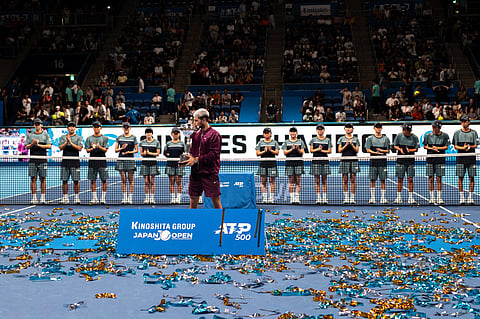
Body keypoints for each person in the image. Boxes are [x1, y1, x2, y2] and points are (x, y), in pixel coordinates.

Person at [183, 108, 222, 209]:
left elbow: (214, 155)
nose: (194, 123)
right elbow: (193, 151)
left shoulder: (215, 135)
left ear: (204, 119)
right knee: (193, 200)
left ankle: (220, 224)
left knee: (215, 200)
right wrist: (187, 159)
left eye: (196, 120)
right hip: (195, 173)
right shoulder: (195, 134)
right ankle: (193, 223)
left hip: (210, 173)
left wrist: (195, 159)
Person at [453, 115, 478, 204]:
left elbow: (476, 145)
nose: (464, 123)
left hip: (471, 158)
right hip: (460, 158)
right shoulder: (457, 133)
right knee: (460, 178)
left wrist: (469, 146)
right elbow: (455, 146)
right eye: (462, 121)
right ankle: (462, 197)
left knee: (471, 178)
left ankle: (470, 197)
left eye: (465, 121)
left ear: (469, 122)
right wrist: (463, 148)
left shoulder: (474, 133)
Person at [26, 118, 52, 204]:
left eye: (39, 124)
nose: (37, 126)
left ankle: (43, 198)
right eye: (36, 124)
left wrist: (39, 145)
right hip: (33, 160)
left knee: (43, 179)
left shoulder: (45, 135)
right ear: (34, 125)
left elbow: (49, 146)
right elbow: (26, 147)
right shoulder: (30, 135)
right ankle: (34, 198)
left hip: (42, 160)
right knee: (33, 179)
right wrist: (32, 144)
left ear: (41, 125)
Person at [423, 120, 450, 204]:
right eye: (434, 127)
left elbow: (446, 147)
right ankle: (431, 197)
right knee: (430, 178)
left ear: (440, 127)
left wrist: (438, 148)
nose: (435, 129)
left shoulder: (445, 136)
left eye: (437, 127)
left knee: (439, 178)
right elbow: (425, 146)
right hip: (430, 159)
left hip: (440, 159)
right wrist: (432, 148)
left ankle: (439, 197)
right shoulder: (428, 136)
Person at [393, 122, 419, 204]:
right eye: (403, 129)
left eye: (404, 129)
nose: (402, 130)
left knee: (410, 179)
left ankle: (411, 197)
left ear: (408, 130)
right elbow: (395, 145)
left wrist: (409, 150)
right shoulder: (399, 136)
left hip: (410, 161)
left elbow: (416, 149)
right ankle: (398, 197)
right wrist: (400, 149)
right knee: (400, 179)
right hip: (400, 160)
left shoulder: (414, 137)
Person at [365, 122, 391, 204]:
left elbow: (388, 150)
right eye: (377, 127)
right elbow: (368, 149)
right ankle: (372, 198)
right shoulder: (370, 138)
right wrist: (376, 153)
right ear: (374, 128)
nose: (378, 129)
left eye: (380, 127)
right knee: (373, 180)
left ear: (381, 128)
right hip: (373, 161)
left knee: (382, 180)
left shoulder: (386, 139)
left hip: (383, 162)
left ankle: (383, 198)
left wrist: (381, 151)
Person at [59, 122, 84, 204]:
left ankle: (76, 198)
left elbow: (79, 148)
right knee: (64, 180)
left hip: (75, 162)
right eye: (70, 127)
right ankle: (65, 198)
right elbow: (60, 148)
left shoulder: (78, 138)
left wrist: (71, 142)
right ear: (67, 128)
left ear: (75, 128)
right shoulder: (63, 137)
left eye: (73, 127)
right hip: (65, 161)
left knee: (76, 181)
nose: (71, 128)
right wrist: (66, 142)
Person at [85, 121, 109, 204]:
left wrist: (99, 147)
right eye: (95, 127)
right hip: (92, 161)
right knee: (92, 180)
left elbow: (105, 150)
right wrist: (92, 148)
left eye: (98, 127)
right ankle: (94, 198)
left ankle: (103, 198)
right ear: (93, 128)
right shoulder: (89, 138)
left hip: (102, 160)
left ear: (100, 128)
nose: (96, 128)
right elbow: (87, 150)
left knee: (104, 180)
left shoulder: (105, 138)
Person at [115, 122, 138, 204]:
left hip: (130, 159)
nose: (126, 129)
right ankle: (124, 197)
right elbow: (116, 150)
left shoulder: (133, 138)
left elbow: (136, 150)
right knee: (123, 179)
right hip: (121, 159)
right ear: (123, 128)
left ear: (130, 128)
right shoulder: (119, 138)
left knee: (131, 179)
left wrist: (129, 151)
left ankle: (130, 198)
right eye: (125, 127)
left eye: (127, 127)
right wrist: (122, 148)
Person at [255, 127, 280, 203]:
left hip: (272, 163)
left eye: (268, 133)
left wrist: (271, 150)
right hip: (263, 164)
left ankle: (271, 198)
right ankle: (265, 198)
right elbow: (257, 153)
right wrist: (264, 151)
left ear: (270, 134)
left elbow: (277, 152)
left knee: (272, 181)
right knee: (263, 181)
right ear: (263, 134)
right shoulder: (260, 143)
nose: (266, 134)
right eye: (265, 133)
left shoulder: (274, 142)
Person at [282, 127, 306, 204]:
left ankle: (297, 198)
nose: (293, 133)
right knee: (291, 181)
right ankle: (292, 198)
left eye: (294, 132)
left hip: (298, 163)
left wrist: (297, 149)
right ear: (289, 133)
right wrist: (292, 149)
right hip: (289, 163)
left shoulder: (300, 142)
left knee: (298, 181)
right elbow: (285, 152)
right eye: (291, 132)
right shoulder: (286, 142)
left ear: (296, 133)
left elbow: (302, 152)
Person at [337, 123, 360, 204]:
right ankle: (346, 198)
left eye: (350, 128)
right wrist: (346, 145)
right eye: (347, 128)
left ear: (352, 129)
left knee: (353, 179)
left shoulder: (356, 139)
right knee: (345, 180)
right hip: (344, 160)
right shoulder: (341, 139)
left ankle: (352, 198)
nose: (348, 129)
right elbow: (339, 150)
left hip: (353, 160)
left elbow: (357, 150)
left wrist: (352, 145)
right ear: (344, 129)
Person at [309, 124, 332, 204]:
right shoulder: (313, 140)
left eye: (321, 129)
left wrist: (321, 151)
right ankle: (318, 198)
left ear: (324, 130)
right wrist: (317, 149)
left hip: (324, 161)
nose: (320, 131)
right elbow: (311, 150)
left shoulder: (327, 140)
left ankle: (325, 198)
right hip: (315, 161)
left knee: (324, 180)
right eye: (318, 129)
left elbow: (329, 151)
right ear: (316, 131)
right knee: (317, 180)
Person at [164, 127, 186, 204]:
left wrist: (182, 162)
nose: (176, 134)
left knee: (179, 181)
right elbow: (165, 152)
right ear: (172, 134)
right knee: (171, 181)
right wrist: (169, 158)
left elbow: (185, 153)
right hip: (170, 164)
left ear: (179, 134)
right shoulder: (168, 143)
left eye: (177, 133)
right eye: (174, 133)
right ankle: (173, 198)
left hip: (180, 165)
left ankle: (178, 198)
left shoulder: (182, 143)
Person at [139, 127, 161, 204]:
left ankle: (152, 198)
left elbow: (157, 153)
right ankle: (147, 198)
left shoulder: (156, 142)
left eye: (149, 133)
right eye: (147, 133)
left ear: (152, 134)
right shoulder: (142, 142)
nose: (148, 134)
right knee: (146, 182)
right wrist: (144, 154)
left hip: (153, 163)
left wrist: (149, 153)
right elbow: (141, 153)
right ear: (145, 134)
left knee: (152, 181)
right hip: (144, 163)